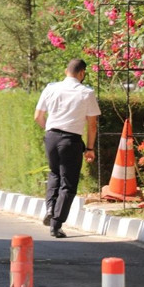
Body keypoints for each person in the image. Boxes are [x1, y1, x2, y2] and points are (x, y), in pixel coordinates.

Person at [34, 58, 100, 238]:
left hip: (51, 137)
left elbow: (38, 116)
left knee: (54, 173)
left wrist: (50, 130)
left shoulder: (51, 88)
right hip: (71, 140)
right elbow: (92, 124)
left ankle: (49, 208)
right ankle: (56, 224)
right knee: (68, 183)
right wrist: (90, 148)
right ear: (82, 73)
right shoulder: (86, 93)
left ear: (66, 71)